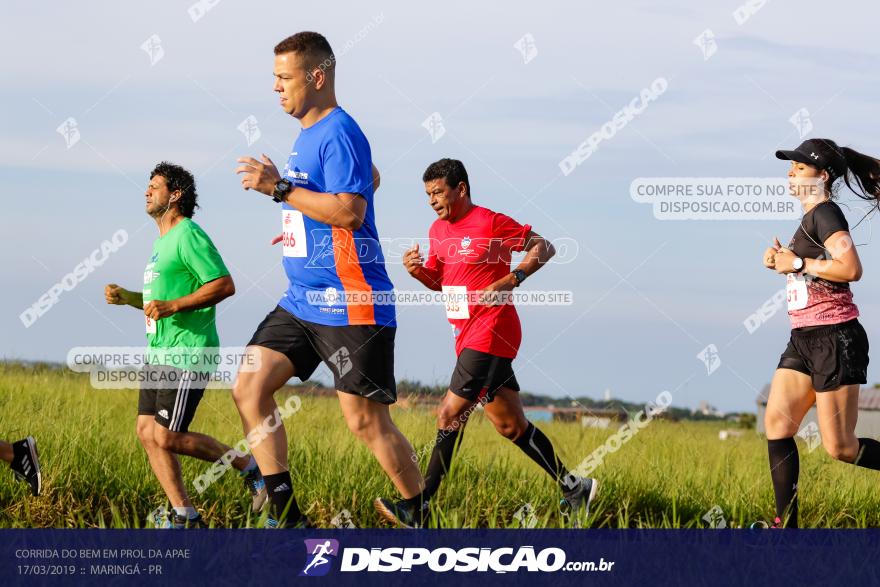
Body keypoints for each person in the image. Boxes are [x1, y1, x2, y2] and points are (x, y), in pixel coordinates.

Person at [232, 31, 423, 527]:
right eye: (273, 77)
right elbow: (365, 180)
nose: (275, 87)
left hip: (351, 301)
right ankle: (286, 517)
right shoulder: (310, 135)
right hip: (302, 301)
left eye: (284, 77)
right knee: (249, 388)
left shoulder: (339, 130)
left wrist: (279, 188)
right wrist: (301, 218)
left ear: (317, 77)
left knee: (366, 422)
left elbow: (351, 210)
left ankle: (418, 510)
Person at [374, 158, 598, 528]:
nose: (431, 200)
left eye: (438, 192)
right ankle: (574, 488)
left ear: (460, 189)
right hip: (465, 335)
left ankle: (419, 507)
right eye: (427, 194)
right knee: (511, 426)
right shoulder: (437, 231)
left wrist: (514, 277)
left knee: (449, 414)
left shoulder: (490, 222)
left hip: (494, 329)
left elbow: (544, 246)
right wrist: (418, 272)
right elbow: (442, 283)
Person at [105, 162, 266, 529]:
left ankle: (252, 469)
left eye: (155, 186)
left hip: (189, 352)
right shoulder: (161, 243)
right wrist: (128, 297)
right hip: (159, 354)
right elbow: (157, 302)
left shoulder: (188, 233)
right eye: (147, 186)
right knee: (148, 433)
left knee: (168, 435)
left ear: (175, 195)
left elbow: (223, 284)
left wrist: (174, 306)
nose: (147, 191)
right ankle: (184, 516)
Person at [762, 138, 880, 528]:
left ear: (823, 175)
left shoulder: (826, 214)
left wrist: (795, 260)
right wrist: (783, 262)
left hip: (835, 336)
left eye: (799, 166)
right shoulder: (810, 218)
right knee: (778, 426)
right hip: (804, 337)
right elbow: (811, 267)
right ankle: (787, 529)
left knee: (841, 447)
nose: (791, 172)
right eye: (790, 166)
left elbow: (850, 269)